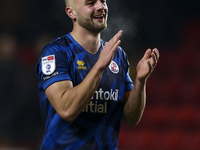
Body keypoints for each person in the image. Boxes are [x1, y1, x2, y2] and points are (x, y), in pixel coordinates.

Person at [35, 0, 160, 149]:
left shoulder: (117, 55)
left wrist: (140, 80)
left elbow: (131, 118)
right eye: (91, 3)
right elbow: (66, 110)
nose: (101, 7)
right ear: (71, 12)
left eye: (103, 1)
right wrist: (100, 66)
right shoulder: (56, 52)